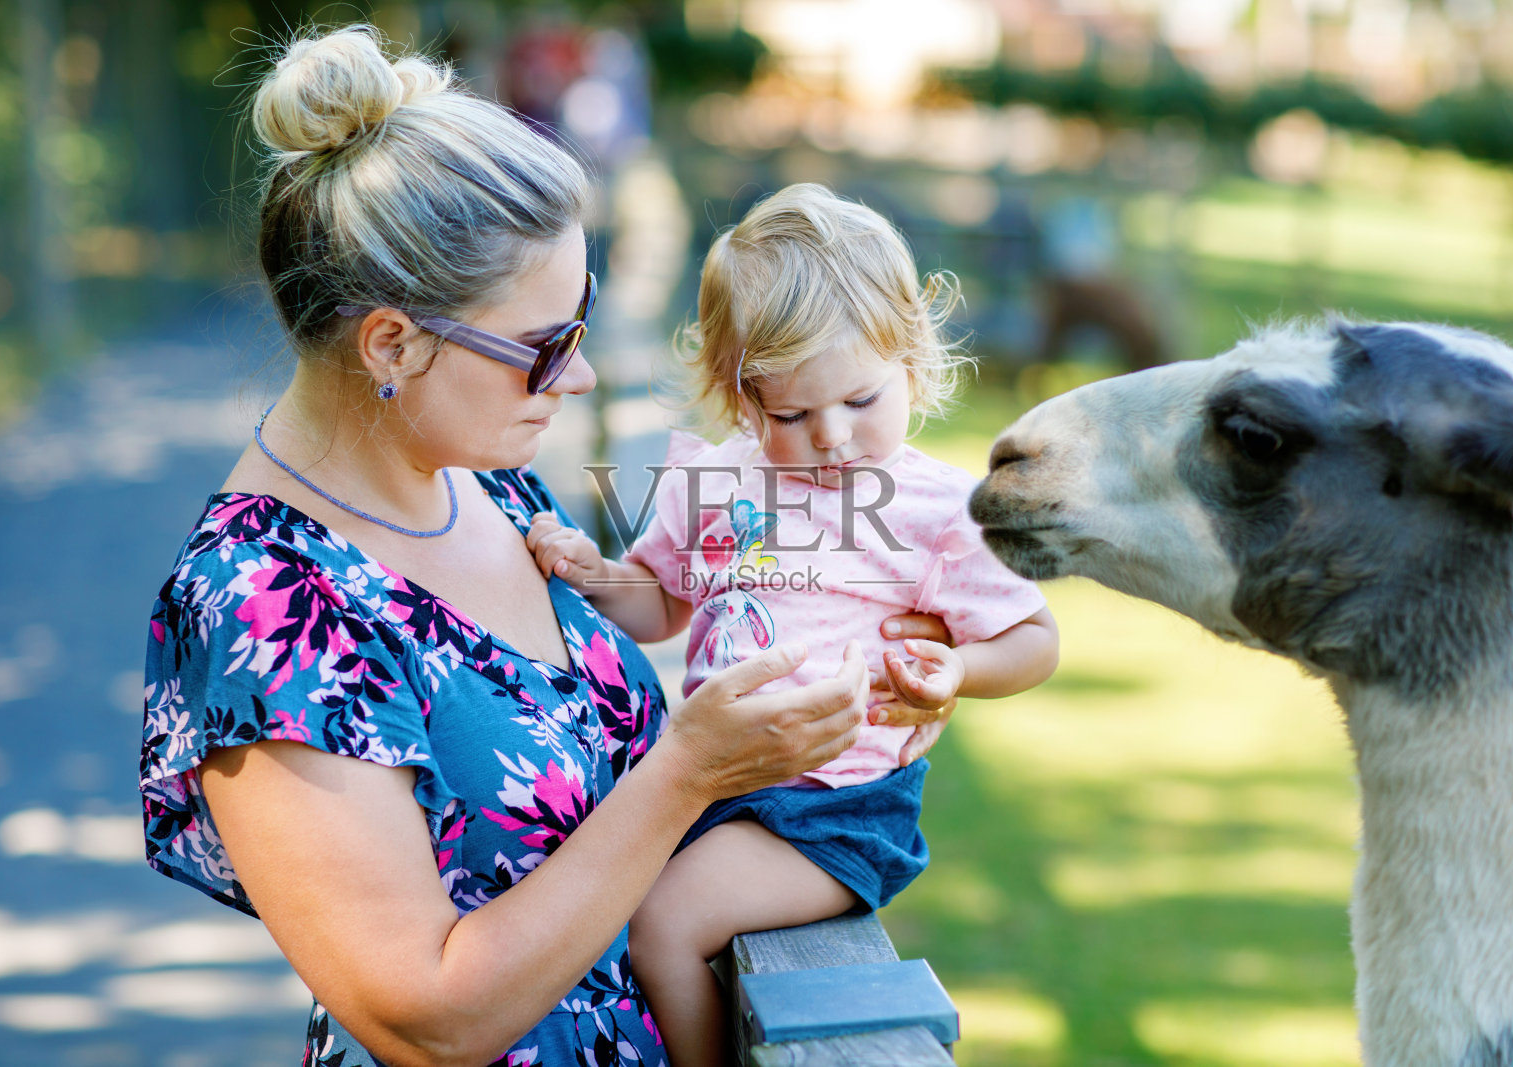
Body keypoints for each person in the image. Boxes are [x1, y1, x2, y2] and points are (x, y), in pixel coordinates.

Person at [138, 29, 951, 1067]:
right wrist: (685, 773)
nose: (579, 380)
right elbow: (425, 1017)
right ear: (393, 343)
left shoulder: (479, 477)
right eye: (542, 347)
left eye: (582, 323)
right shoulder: (263, 605)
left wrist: (873, 653)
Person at [525, 183, 1061, 1066]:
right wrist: (588, 571)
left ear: (911, 360)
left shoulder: (933, 507)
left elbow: (1035, 640)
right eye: (791, 414)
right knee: (602, 894)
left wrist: (959, 670)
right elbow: (660, 603)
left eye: (860, 399)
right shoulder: (718, 484)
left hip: (833, 805)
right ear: (740, 398)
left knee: (661, 922)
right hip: (716, 783)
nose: (833, 437)